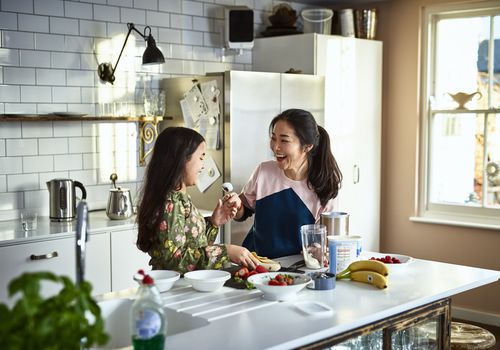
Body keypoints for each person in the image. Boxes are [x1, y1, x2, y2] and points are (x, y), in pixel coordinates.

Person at [137, 127, 259, 273]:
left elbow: (192, 246)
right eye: (201, 157)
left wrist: (214, 222)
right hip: (176, 290)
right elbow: (174, 260)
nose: (203, 165)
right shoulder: (170, 204)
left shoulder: (180, 198)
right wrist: (225, 251)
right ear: (181, 159)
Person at [232, 108, 343, 259]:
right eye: (273, 138)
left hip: (296, 269)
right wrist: (236, 206)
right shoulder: (264, 171)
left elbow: (324, 242)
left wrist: (319, 250)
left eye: (284, 140)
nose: (276, 147)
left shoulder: (325, 187)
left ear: (307, 146)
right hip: (256, 264)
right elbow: (244, 210)